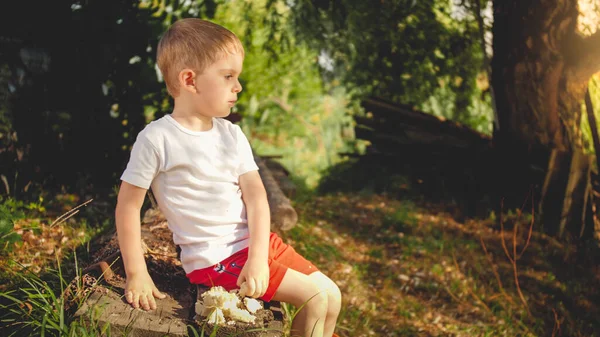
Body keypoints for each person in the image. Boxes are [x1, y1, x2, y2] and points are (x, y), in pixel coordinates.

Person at [114, 18, 341, 337]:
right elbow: (127, 206)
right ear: (190, 80)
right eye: (228, 76)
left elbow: (257, 198)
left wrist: (259, 258)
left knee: (332, 297)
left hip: (256, 247)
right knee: (314, 299)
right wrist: (136, 272)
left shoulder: (231, 134)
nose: (239, 87)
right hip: (216, 260)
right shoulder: (157, 139)